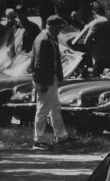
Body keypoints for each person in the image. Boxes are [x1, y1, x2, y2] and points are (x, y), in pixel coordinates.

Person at [30, 15, 70, 150]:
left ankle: (62, 136)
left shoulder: (52, 38)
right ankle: (38, 140)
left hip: (51, 77)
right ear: (52, 26)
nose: (60, 30)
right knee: (42, 109)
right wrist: (41, 83)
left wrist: (58, 75)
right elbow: (37, 64)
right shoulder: (43, 40)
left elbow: (55, 60)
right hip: (44, 79)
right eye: (59, 27)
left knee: (55, 108)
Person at [79, 1, 110, 75]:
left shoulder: (96, 22)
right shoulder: (107, 21)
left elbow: (86, 41)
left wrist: (93, 51)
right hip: (108, 56)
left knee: (95, 79)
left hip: (99, 58)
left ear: (93, 12)